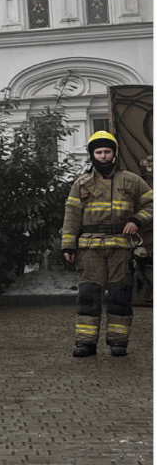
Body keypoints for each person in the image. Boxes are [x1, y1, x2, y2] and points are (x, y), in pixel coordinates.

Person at [61, 131, 154, 357]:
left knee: (120, 295)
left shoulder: (131, 180)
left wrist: (136, 220)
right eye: (99, 152)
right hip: (90, 248)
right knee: (89, 296)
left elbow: (151, 204)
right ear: (92, 155)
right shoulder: (81, 183)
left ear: (114, 153)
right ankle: (86, 343)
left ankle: (118, 342)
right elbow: (72, 215)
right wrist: (68, 245)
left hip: (120, 248)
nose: (103, 155)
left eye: (107, 151)